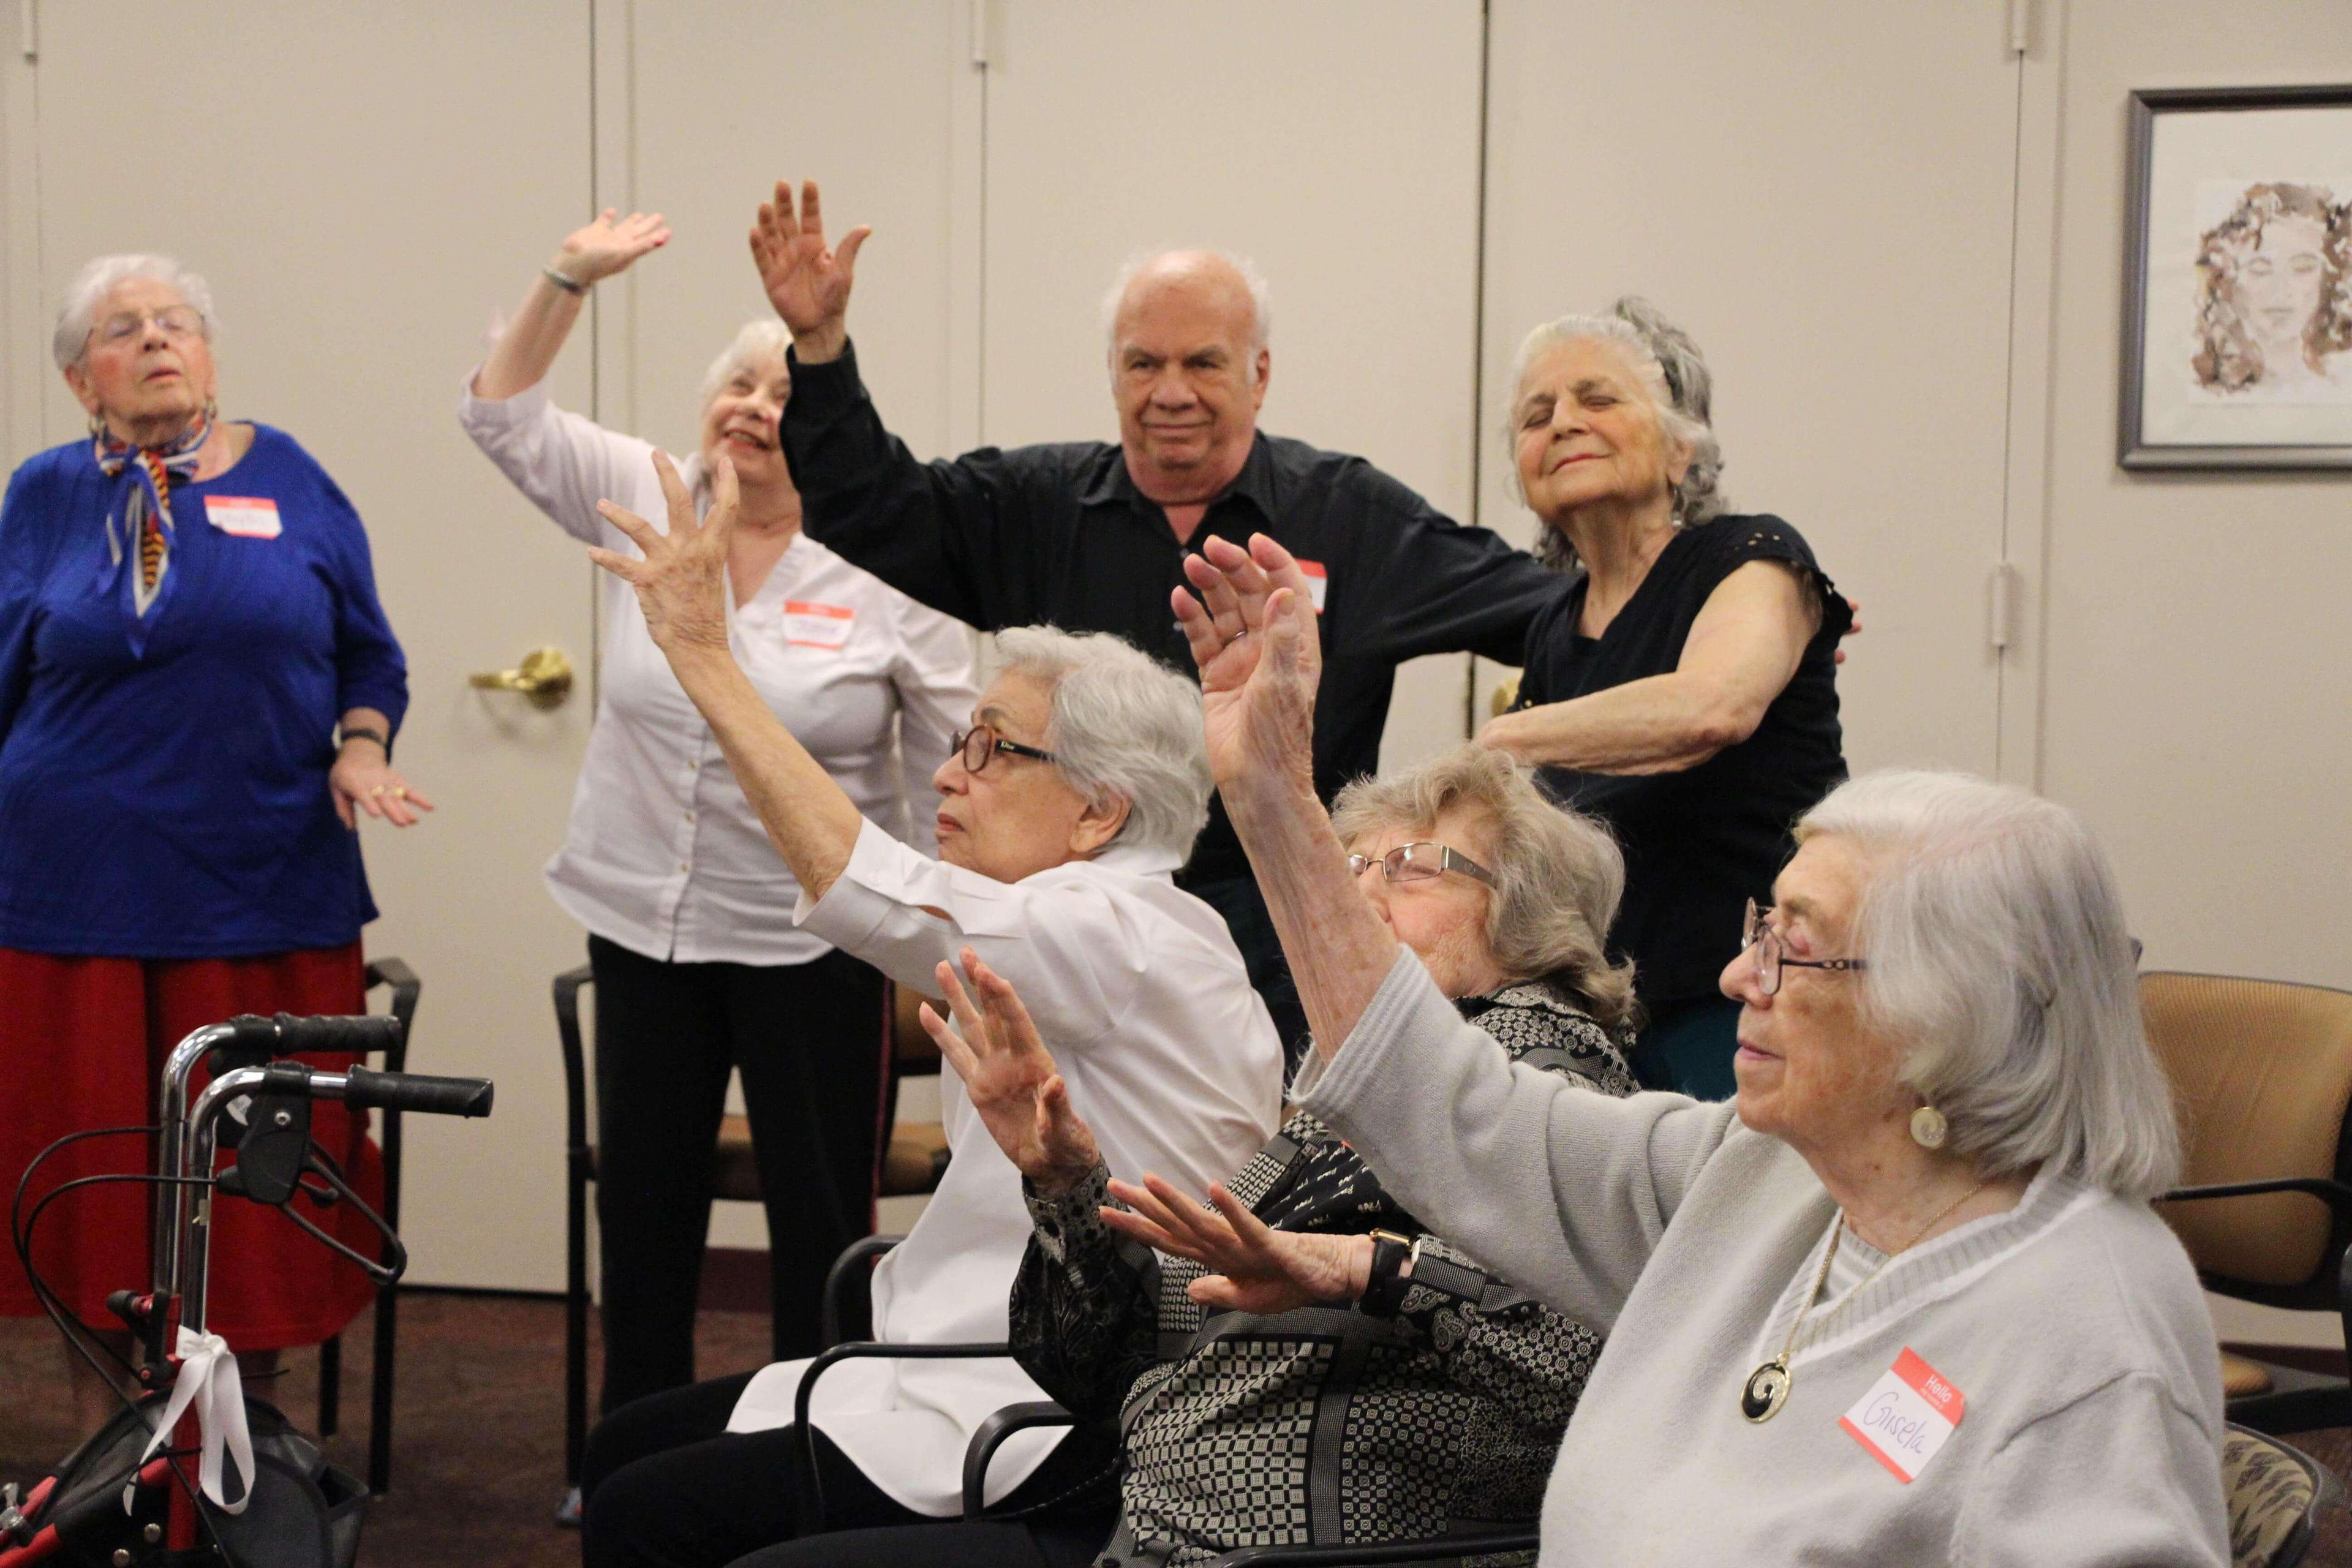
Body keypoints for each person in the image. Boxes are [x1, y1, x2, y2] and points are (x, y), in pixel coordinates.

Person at [1157, 532, 2230, 1564]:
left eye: (1792, 950)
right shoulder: (1763, 1177)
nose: (1736, 979)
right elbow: (1447, 1106)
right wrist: (1270, 796)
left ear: (1945, 1017)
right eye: (1757, 930)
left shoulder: (2089, 1342)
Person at [575, 454, 1284, 1568]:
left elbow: (868, 888)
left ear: (1100, 811)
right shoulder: (1102, 916)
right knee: (622, 1455)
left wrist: (706, 657)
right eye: (963, 742)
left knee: (641, 1505)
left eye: (993, 751)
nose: (951, 777)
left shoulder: (1109, 926)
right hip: (952, 1361)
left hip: (1048, 1410)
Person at [744, 178, 1577, 1065]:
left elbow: (1551, 613)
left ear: (1259, 374)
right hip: (1072, 935)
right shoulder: (1039, 505)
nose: (1170, 391)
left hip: (1286, 938)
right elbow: (872, 507)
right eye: (1144, 364)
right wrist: (820, 344)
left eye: (1203, 363)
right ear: (1113, 374)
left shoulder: (1351, 518)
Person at [748, 743, 1638, 1568]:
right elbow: (1113, 1354)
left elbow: (1576, 1353)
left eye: (1408, 869)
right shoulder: (1368, 1090)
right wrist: (1065, 1183)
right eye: (1352, 866)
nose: (1357, 898)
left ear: (1526, 911)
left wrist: (1365, 1270)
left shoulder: (1546, 1085)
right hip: (1165, 1531)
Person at [460, 209, 977, 1408]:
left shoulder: (891, 558)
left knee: (818, 1225)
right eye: (737, 384)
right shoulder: (647, 490)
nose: (754, 404)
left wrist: (933, 928)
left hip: (817, 940)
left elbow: (943, 766)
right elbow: (500, 414)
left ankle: (808, 1437)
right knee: (643, 1211)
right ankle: (637, 1447)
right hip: (642, 922)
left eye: (783, 389)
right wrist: (566, 277)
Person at [0, 254, 427, 1433]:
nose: (155, 342)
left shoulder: (292, 480)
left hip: (263, 895)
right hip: (73, 906)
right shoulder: (41, 496)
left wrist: (360, 747)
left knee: (252, 1208)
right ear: (83, 379)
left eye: (175, 323)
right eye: (122, 329)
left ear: (212, 353)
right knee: (92, 1198)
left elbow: (368, 656)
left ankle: (246, 1469)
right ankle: (107, 1473)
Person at [1477, 299, 1850, 1098]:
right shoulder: (1554, 624)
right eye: (1537, 417)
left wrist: (1504, 742)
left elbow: (1713, 708)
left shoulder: (1754, 557)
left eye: (1599, 400)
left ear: (1683, 452)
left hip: (1757, 998)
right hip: (1607, 1019)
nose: (1565, 423)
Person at [2193, 181, 2352, 398]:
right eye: (2259, 269)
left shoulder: (2339, 388)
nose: (2281, 290)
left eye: (2303, 268)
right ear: (2227, 278)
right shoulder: (2208, 392)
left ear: (2328, 279)